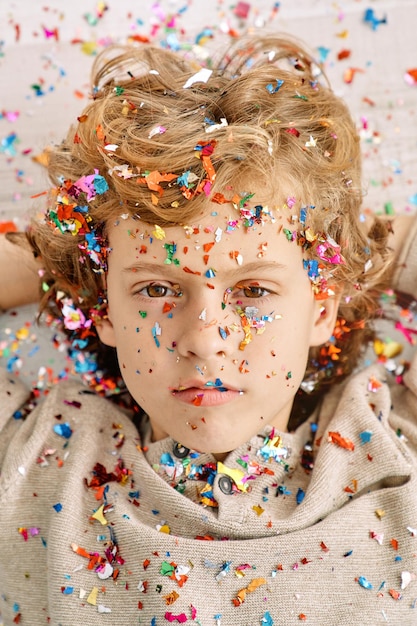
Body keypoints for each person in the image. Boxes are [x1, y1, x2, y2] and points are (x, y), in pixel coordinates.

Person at [0, 33, 416, 626]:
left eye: (254, 290)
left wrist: (346, 239)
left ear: (322, 308)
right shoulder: (39, 457)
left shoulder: (391, 443)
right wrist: (66, 253)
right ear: (104, 312)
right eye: (157, 288)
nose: (204, 339)